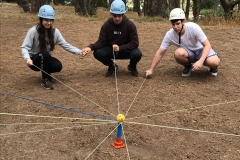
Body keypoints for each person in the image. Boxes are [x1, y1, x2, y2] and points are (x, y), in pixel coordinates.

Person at [21, 5, 86, 90]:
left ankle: (46, 73)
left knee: (57, 66)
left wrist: (80, 52)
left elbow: (65, 44)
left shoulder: (55, 32)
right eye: (46, 20)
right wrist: (27, 59)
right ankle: (45, 80)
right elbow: (24, 47)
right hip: (34, 61)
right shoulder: (33, 31)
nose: (49, 23)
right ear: (41, 20)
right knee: (44, 53)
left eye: (51, 20)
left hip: (46, 58)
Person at [145, 8, 220, 78]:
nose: (175, 27)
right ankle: (187, 66)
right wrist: (151, 69)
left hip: (201, 50)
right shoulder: (169, 35)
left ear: (183, 21)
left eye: (177, 24)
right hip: (189, 53)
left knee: (213, 62)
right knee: (178, 53)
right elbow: (160, 52)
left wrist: (200, 61)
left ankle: (213, 67)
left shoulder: (194, 28)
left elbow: (207, 45)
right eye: (173, 24)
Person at [82, 0, 142, 77]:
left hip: (125, 50)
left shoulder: (130, 25)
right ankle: (112, 66)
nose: (117, 18)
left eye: (119, 16)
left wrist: (120, 48)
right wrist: (90, 47)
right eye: (114, 16)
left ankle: (132, 66)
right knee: (97, 53)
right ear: (111, 14)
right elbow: (101, 42)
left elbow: (135, 43)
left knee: (137, 54)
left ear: (123, 14)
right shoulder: (106, 25)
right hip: (112, 50)